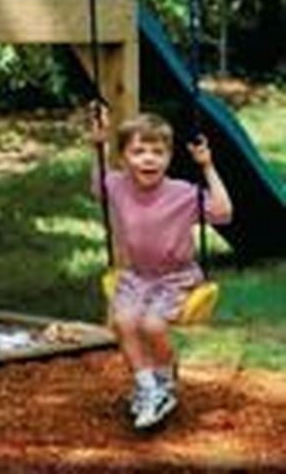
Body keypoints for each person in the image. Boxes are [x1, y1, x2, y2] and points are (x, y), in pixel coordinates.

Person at [90, 108, 232, 431]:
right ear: (124, 157)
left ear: (169, 157)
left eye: (158, 152)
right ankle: (148, 387)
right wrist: (96, 146)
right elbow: (98, 188)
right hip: (137, 276)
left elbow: (224, 212)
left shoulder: (182, 194)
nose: (148, 159)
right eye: (138, 151)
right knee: (123, 322)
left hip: (175, 278)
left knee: (153, 326)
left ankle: (165, 382)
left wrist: (207, 165)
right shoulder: (119, 185)